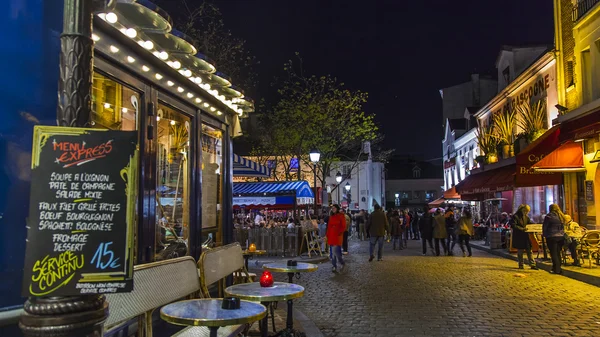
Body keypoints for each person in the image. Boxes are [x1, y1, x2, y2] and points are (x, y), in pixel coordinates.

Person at [511, 204, 538, 270]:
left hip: (526, 236)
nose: (527, 212)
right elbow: (514, 226)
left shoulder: (526, 217)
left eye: (528, 211)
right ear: (522, 210)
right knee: (520, 251)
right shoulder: (515, 216)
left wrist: (535, 226)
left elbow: (530, 223)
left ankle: (532, 264)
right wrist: (522, 229)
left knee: (529, 250)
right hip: (519, 236)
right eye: (526, 211)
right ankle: (521, 265)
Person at [543, 204, 567, 274]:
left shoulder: (549, 216)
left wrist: (544, 235)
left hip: (552, 236)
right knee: (558, 253)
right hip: (561, 237)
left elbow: (545, 226)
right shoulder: (561, 216)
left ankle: (556, 269)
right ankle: (559, 268)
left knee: (553, 253)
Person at [326, 204, 346, 273]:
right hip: (332, 236)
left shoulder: (341, 216)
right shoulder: (331, 216)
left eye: (334, 208)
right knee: (333, 252)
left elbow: (343, 226)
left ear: (337, 208)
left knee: (336, 252)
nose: (333, 209)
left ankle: (340, 262)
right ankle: (335, 265)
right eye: (332, 208)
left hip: (337, 236)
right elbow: (329, 226)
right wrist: (327, 235)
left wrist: (339, 233)